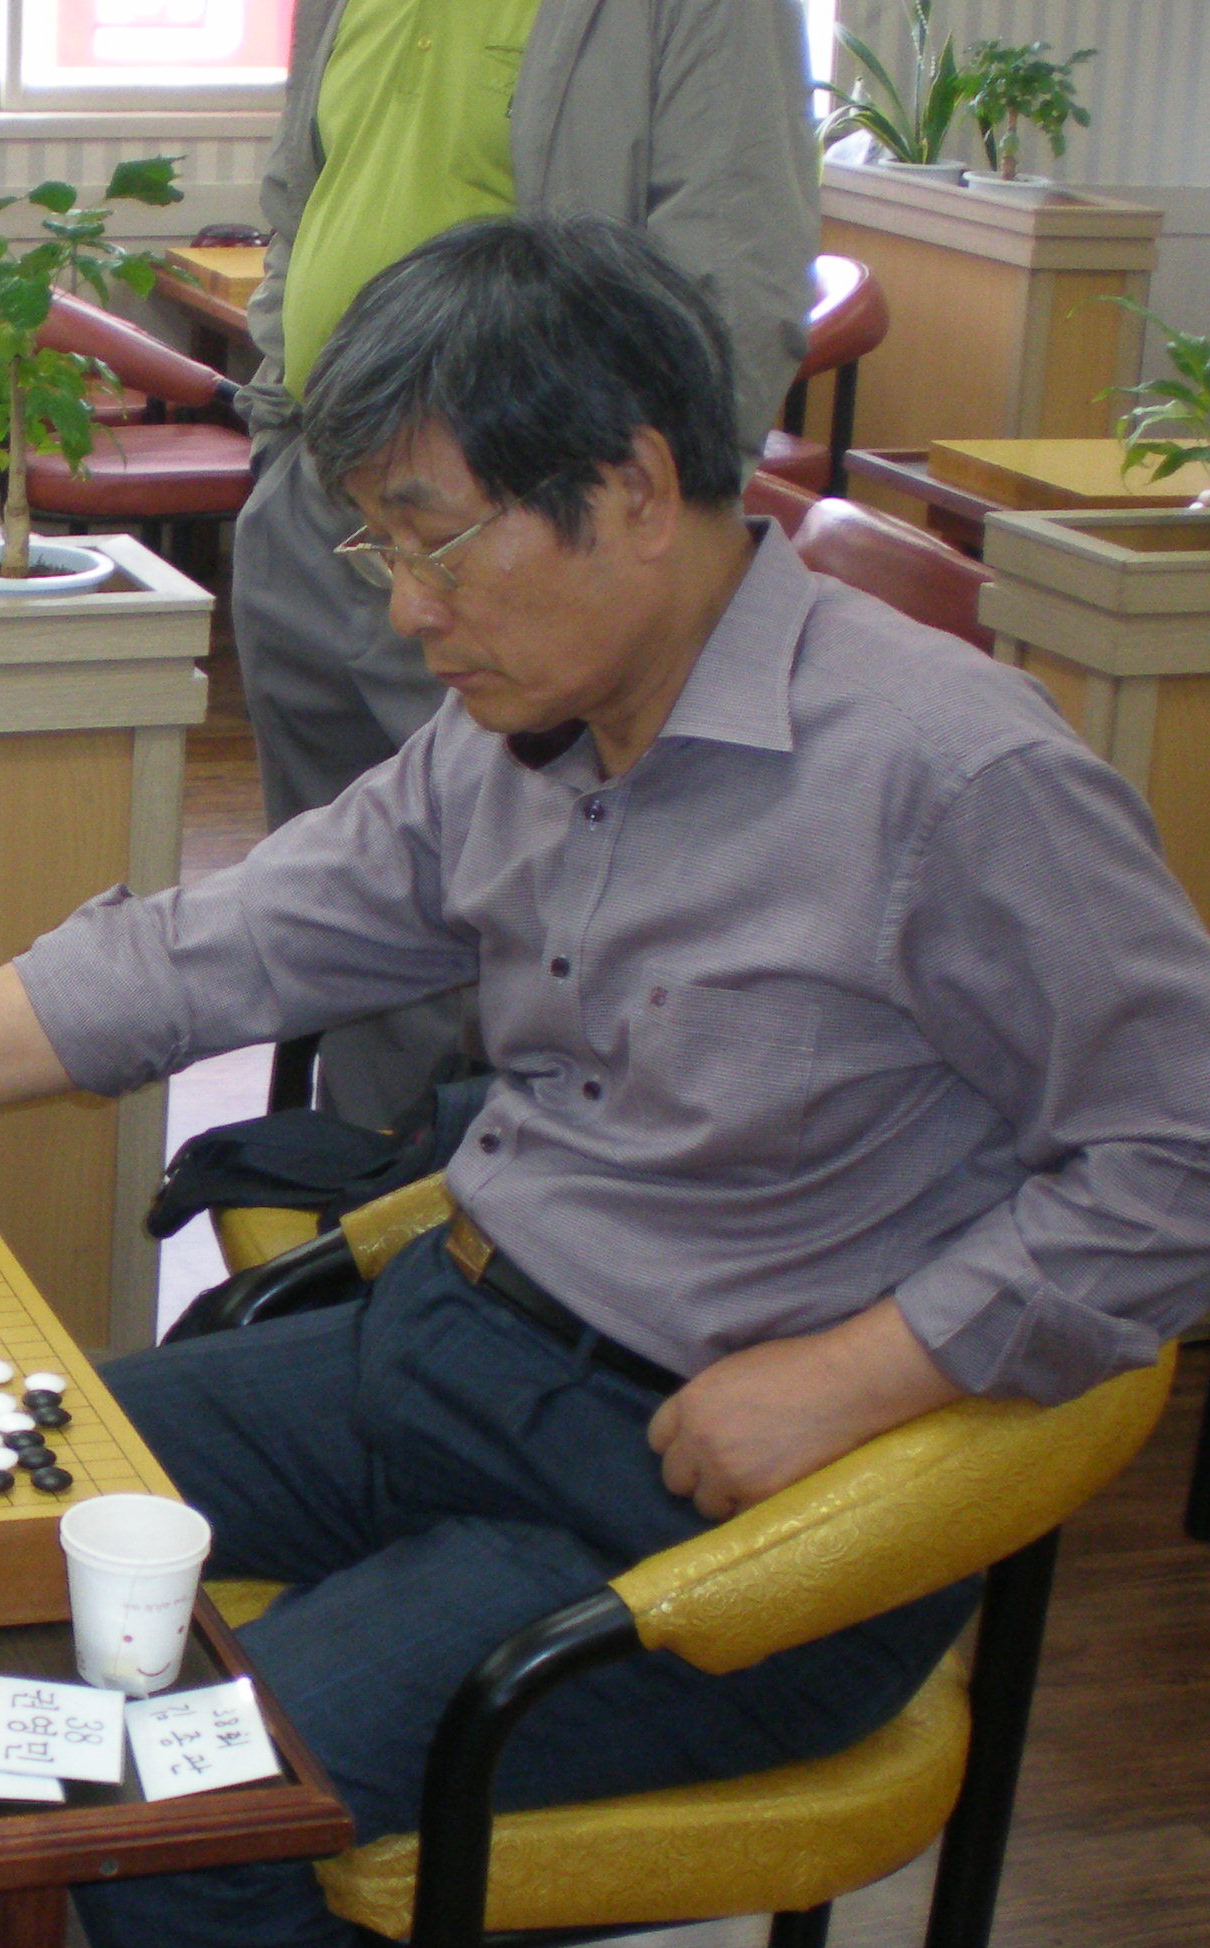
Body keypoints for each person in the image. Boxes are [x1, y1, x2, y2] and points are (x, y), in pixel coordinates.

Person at [0, 217, 1210, 1948]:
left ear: (632, 487)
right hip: (457, 1342)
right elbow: (202, 954)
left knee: (174, 1779)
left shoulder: (953, 772)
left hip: (721, 1489)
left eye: (435, 538)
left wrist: (865, 1369)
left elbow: (1175, 1156)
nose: (401, 608)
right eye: (376, 544)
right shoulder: (514, 734)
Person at [234, 0, 820, 1125]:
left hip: (520, 549)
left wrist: (616, 552)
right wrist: (278, 435)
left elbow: (737, 276)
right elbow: (299, 204)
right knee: (333, 922)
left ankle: (501, 1209)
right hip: (318, 503)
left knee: (512, 936)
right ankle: (371, 1196)